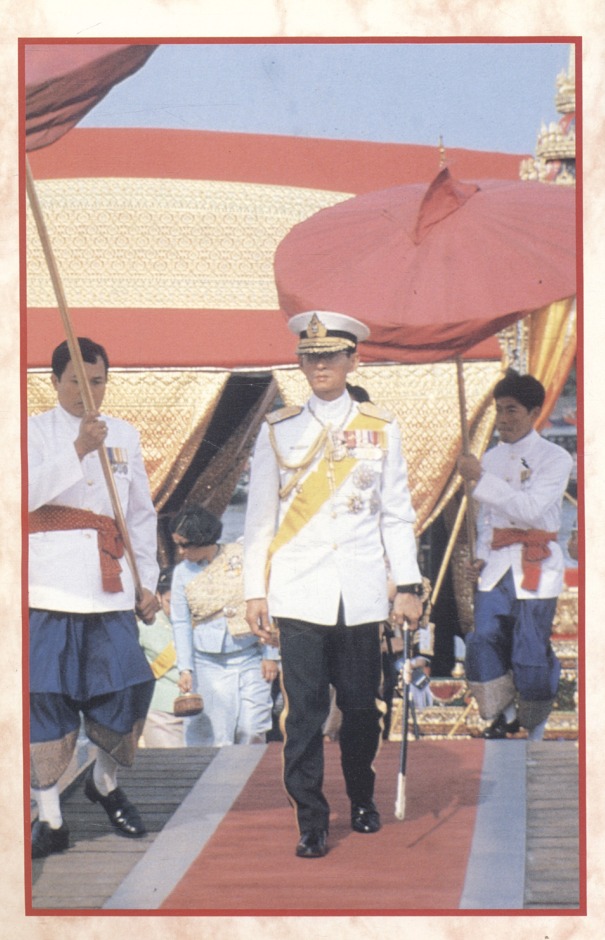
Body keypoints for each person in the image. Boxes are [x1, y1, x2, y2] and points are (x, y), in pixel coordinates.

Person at [243, 310, 423, 858]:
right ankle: (312, 820)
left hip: (362, 591)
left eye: (329, 356)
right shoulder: (279, 428)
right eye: (309, 356)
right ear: (300, 363)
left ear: (353, 360)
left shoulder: (381, 426)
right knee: (304, 713)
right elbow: (259, 520)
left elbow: (396, 513)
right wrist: (256, 590)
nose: (318, 365)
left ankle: (363, 798)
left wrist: (409, 584)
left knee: (362, 708)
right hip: (299, 591)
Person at [28, 337, 160, 859]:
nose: (89, 395)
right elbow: (14, 494)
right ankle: (52, 816)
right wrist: (77, 450)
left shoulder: (125, 435)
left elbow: (140, 515)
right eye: (76, 384)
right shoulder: (30, 431)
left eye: (99, 383)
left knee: (126, 690)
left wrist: (145, 578)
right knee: (45, 698)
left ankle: (103, 782)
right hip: (49, 583)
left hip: (109, 584)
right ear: (55, 382)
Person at [457, 370, 573, 741]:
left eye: (512, 410)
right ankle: (500, 715)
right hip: (497, 566)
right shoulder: (490, 458)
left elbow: (532, 511)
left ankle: (534, 721)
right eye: (498, 410)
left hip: (536, 563)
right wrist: (478, 555)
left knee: (529, 647)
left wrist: (480, 480)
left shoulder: (555, 458)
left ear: (534, 412)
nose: (503, 419)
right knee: (484, 637)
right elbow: (488, 520)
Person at [170, 506, 279, 746]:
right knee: (217, 738)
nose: (180, 552)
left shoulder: (242, 557)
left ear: (203, 539)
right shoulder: (181, 574)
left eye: (185, 545)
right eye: (177, 545)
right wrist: (185, 669)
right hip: (207, 663)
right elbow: (180, 623)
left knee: (252, 729)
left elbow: (266, 604)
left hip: (251, 656)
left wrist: (271, 654)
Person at [137, 567, 185, 748]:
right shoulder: (145, 627)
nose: (177, 609)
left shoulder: (205, 623)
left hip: (203, 705)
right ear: (158, 596)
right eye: (170, 602)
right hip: (161, 709)